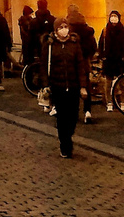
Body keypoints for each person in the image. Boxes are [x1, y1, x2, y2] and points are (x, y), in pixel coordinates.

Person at [44, 15, 89, 158]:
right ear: (56, 30)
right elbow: (44, 66)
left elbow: (80, 65)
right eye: (61, 28)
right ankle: (65, 144)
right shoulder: (50, 45)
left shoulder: (74, 44)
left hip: (73, 85)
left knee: (73, 116)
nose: (64, 30)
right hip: (57, 86)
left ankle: (68, 134)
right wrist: (45, 85)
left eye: (65, 27)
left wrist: (83, 86)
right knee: (62, 117)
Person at [65, 5, 97, 121]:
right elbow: (93, 46)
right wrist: (88, 56)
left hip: (71, 64)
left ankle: (74, 113)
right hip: (84, 62)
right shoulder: (86, 28)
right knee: (85, 87)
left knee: (73, 89)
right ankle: (87, 111)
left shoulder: (68, 29)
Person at [99, 10, 124, 112]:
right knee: (108, 84)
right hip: (109, 61)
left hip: (120, 60)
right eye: (112, 16)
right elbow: (100, 44)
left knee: (122, 83)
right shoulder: (105, 30)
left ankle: (123, 103)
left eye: (115, 16)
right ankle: (109, 103)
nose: (113, 18)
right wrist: (102, 56)